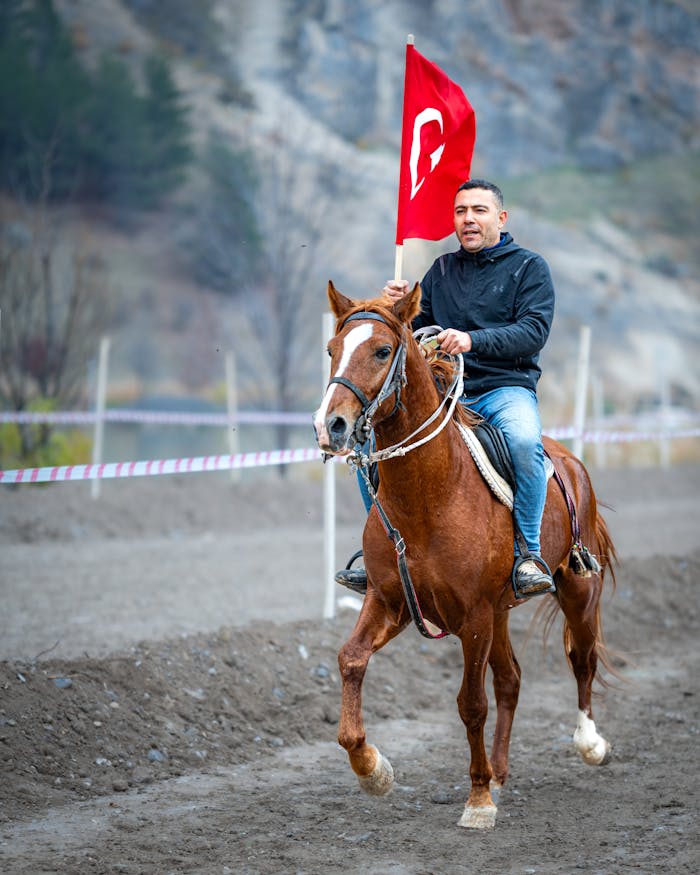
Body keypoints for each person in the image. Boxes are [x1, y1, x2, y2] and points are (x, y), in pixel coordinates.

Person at [335, 178, 556, 598]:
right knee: (368, 450)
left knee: (525, 443)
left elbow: (533, 331)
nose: (468, 219)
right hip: (445, 391)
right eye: (460, 211)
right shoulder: (440, 270)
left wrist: (474, 339)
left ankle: (528, 553)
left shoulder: (530, 268)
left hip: (504, 388)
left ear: (501, 218)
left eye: (478, 210)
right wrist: (398, 309)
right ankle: (379, 552)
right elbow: (412, 336)